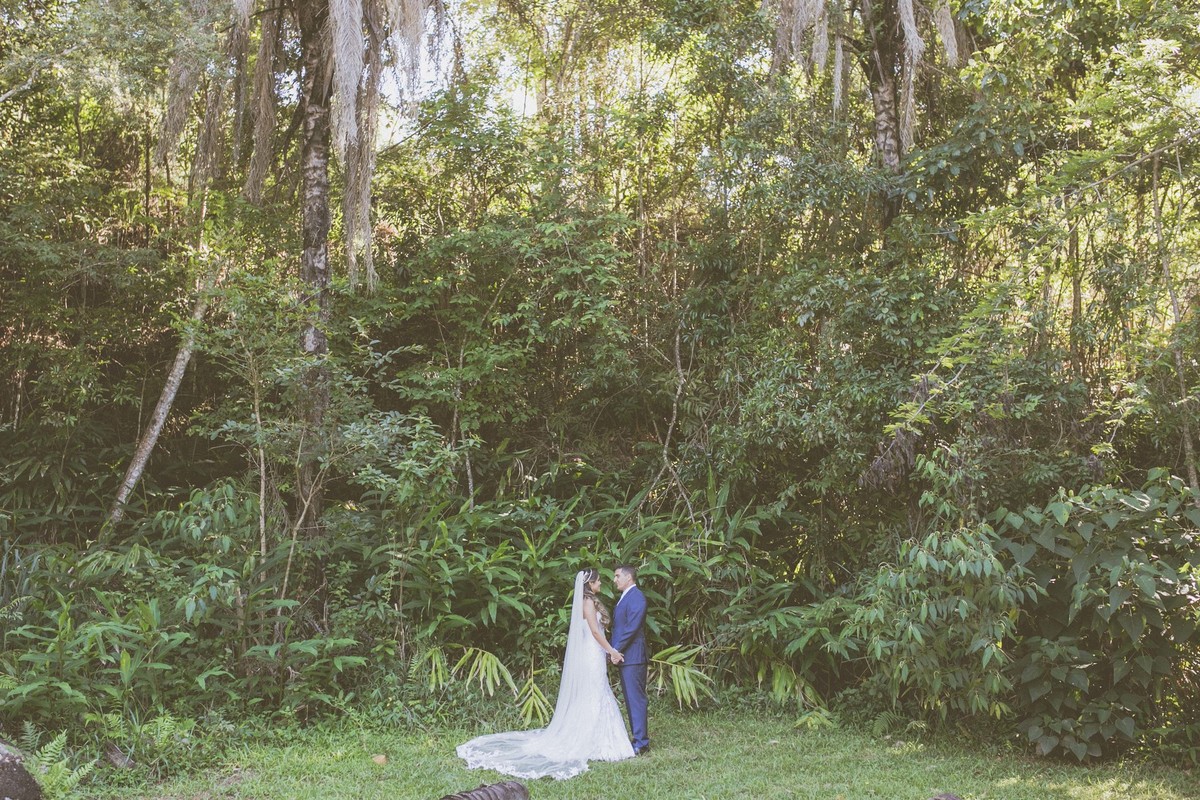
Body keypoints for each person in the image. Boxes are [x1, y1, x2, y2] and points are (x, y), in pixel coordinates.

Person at [456, 569, 634, 780]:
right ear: (590, 583)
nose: (602, 583)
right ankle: (591, 739)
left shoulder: (586, 601)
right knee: (594, 692)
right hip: (592, 653)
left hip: (593, 652)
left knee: (595, 691)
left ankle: (597, 737)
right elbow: (595, 632)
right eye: (598, 581)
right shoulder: (587, 602)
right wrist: (611, 651)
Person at [611, 564, 649, 755]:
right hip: (626, 656)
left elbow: (632, 627)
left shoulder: (636, 597)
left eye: (617, 576)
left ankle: (641, 743)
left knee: (636, 699)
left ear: (628, 578)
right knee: (630, 698)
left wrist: (616, 650)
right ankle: (637, 738)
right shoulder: (625, 597)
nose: (615, 580)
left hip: (633, 656)